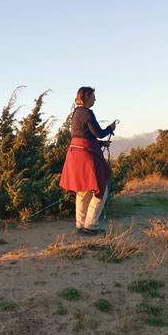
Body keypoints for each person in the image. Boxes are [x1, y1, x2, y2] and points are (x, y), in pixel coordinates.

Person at [59, 87, 117, 234]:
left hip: (75, 154)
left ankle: (80, 224)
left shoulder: (76, 112)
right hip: (86, 155)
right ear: (86, 97)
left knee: (82, 189)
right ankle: (91, 225)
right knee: (100, 188)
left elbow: (83, 136)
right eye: (93, 96)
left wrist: (100, 144)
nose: (95, 99)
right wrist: (110, 128)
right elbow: (98, 133)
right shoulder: (86, 112)